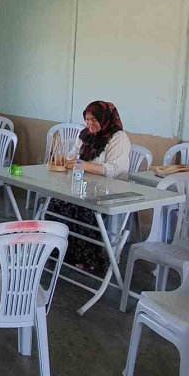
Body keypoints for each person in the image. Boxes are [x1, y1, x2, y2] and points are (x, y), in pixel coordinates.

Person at [50, 100, 131, 272]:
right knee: (57, 202)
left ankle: (89, 258)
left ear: (105, 119)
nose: (89, 123)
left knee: (84, 209)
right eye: (87, 119)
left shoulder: (118, 138)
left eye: (94, 120)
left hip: (111, 190)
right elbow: (73, 156)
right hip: (85, 186)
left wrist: (83, 165)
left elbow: (114, 170)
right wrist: (65, 160)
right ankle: (59, 250)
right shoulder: (85, 135)